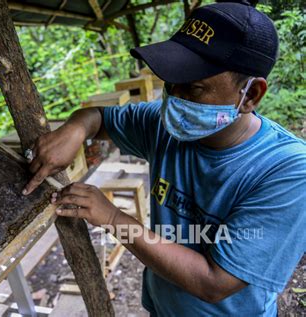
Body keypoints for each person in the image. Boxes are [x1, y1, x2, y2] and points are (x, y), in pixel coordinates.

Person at [22, 1, 306, 315]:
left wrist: (114, 219)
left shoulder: (288, 170)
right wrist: (76, 127)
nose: (175, 99)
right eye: (171, 84)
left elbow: (214, 283)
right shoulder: (163, 126)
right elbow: (98, 117)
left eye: (195, 88)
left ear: (250, 95)